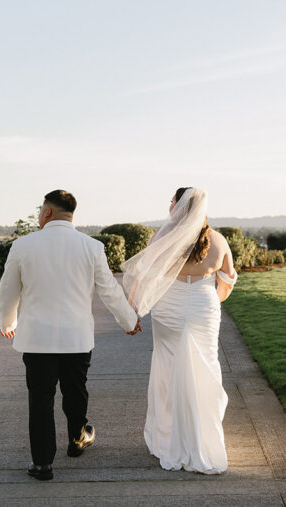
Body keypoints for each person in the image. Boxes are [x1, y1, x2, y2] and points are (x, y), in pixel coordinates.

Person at [0, 189, 142, 482]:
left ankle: (42, 464)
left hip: (37, 340)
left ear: (47, 212)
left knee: (40, 399)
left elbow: (8, 290)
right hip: (76, 339)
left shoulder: (23, 246)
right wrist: (128, 320)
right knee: (75, 391)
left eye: (41, 209)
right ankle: (77, 438)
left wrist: (8, 320)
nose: (39, 214)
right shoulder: (91, 247)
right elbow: (109, 290)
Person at [121, 187, 237, 474]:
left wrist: (131, 309)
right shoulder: (219, 241)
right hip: (203, 309)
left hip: (168, 309)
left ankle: (168, 439)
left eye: (172, 201)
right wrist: (207, 298)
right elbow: (226, 284)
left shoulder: (162, 238)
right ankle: (204, 439)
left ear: (180, 207)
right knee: (205, 368)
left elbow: (143, 278)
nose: (170, 204)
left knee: (168, 369)